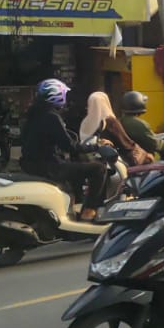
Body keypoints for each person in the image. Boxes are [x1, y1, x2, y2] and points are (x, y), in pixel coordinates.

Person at [19, 79, 106, 222]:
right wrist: (96, 147)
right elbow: (69, 146)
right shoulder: (51, 116)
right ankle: (89, 210)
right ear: (56, 96)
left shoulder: (31, 115)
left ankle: (77, 203)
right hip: (50, 166)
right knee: (98, 169)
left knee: (76, 168)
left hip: (32, 164)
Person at [78, 90, 146, 166]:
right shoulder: (110, 121)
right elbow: (126, 143)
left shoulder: (85, 122)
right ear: (106, 103)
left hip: (91, 161)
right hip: (114, 161)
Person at [117, 91, 162, 157]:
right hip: (141, 158)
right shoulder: (139, 124)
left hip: (127, 156)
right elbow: (154, 144)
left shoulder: (120, 121)